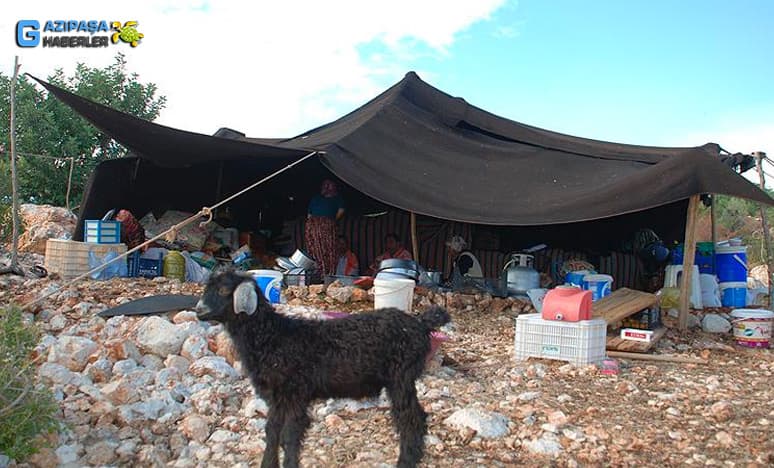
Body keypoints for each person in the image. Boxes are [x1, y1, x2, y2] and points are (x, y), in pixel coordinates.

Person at [305, 179, 345, 276]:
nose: (326, 187)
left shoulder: (337, 198)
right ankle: (317, 272)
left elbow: (341, 210)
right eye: (325, 185)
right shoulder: (316, 198)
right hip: (313, 225)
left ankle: (327, 274)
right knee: (314, 249)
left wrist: (331, 221)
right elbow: (309, 214)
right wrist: (311, 225)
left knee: (327, 249)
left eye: (329, 185)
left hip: (327, 225)